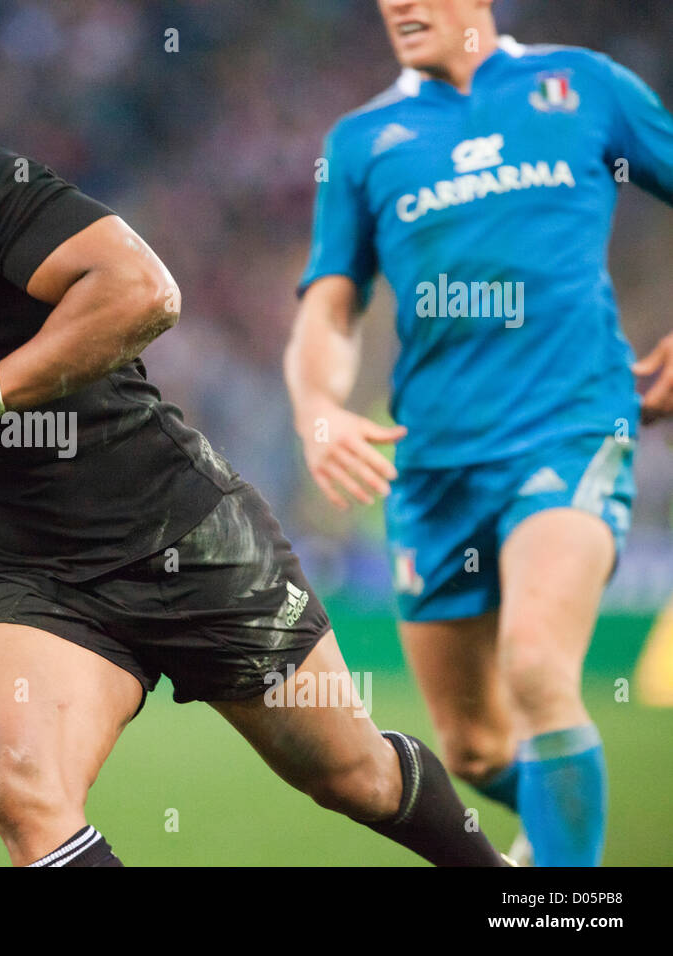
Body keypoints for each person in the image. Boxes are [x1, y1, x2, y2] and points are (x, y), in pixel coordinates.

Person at [0, 34, 507, 866]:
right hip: (34, 579)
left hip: (180, 532)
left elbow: (142, 293)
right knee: (20, 789)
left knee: (355, 777)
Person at [286, 0, 673, 865]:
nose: (399, 5)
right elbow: (331, 304)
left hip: (571, 425)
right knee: (474, 748)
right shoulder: (363, 141)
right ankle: (561, 836)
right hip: (433, 466)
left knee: (538, 669)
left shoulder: (583, 86)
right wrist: (319, 408)